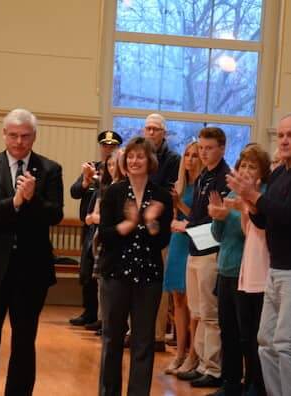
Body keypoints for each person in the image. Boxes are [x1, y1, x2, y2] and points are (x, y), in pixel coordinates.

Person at [227, 113, 291, 396]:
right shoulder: (280, 173)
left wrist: (254, 195)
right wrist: (249, 199)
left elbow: (289, 215)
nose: (284, 140)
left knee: (288, 344)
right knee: (267, 342)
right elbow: (265, 221)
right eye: (281, 135)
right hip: (279, 266)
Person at [0, 108, 64, 396]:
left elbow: (55, 215)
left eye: (25, 136)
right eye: (13, 135)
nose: (19, 142)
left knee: (24, 341)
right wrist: (15, 201)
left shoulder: (50, 170)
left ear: (34, 136)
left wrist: (32, 199)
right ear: (4, 134)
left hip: (31, 270)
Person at [98, 137, 173, 396]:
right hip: (115, 275)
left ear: (150, 160)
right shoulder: (114, 192)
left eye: (140, 156)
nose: (134, 161)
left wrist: (151, 223)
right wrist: (126, 226)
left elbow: (164, 239)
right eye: (130, 156)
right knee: (112, 339)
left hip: (148, 277)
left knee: (143, 342)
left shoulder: (162, 196)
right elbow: (104, 234)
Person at [211, 143, 271, 396]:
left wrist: (241, 209)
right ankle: (230, 382)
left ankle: (252, 384)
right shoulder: (234, 194)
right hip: (226, 268)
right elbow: (217, 235)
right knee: (228, 332)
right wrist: (217, 216)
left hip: (248, 274)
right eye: (243, 165)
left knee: (248, 335)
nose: (246, 170)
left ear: (262, 172)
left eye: (252, 166)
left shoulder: (261, 196)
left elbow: (253, 236)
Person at [176, 127, 231, 388]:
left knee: (210, 314)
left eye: (209, 148)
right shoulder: (203, 176)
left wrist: (187, 227)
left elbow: (215, 221)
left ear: (222, 148)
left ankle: (213, 368)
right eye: (201, 148)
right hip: (194, 249)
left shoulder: (224, 177)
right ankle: (200, 363)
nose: (203, 153)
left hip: (211, 251)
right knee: (196, 310)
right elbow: (198, 214)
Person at [69, 130, 123, 327]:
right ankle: (89, 311)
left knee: (98, 270)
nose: (108, 149)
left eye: (112, 146)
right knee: (86, 271)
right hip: (89, 227)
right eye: (105, 146)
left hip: (104, 228)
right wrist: (85, 180)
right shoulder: (91, 168)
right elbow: (74, 192)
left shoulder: (117, 171)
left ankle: (101, 317)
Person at [141, 113, 181, 351]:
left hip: (161, 225)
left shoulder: (173, 159)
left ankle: (156, 335)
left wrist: (148, 202)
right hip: (139, 225)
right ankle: (136, 331)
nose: (151, 132)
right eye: (148, 128)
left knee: (159, 282)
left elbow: (168, 192)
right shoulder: (139, 155)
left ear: (164, 133)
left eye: (156, 129)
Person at [163, 141, 202, 374]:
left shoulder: (203, 185)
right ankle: (178, 353)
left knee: (192, 303)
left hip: (195, 243)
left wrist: (179, 205)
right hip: (178, 242)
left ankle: (193, 354)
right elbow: (177, 216)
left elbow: (199, 218)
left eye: (195, 155)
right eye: (187, 155)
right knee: (178, 300)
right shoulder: (181, 184)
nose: (190, 159)